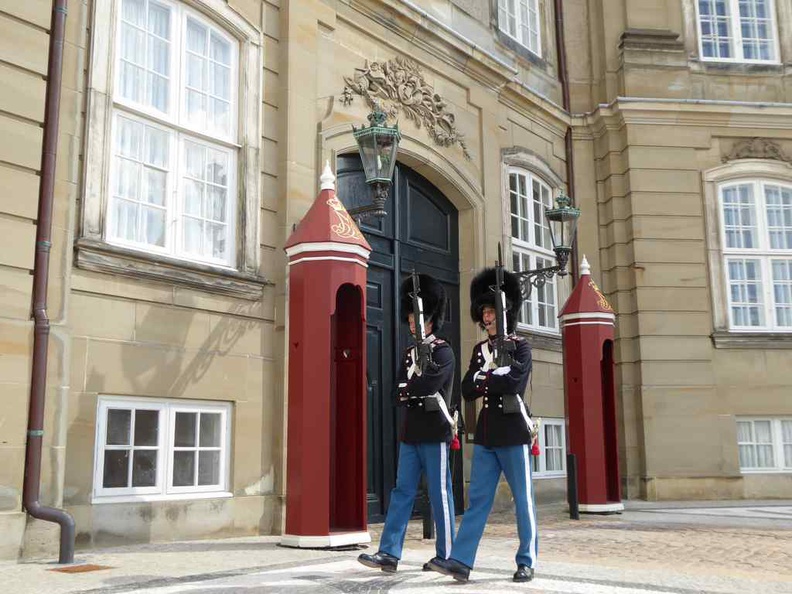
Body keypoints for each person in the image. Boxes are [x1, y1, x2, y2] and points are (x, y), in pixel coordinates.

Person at [429, 266, 537, 583]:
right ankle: (461, 560)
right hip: (488, 433)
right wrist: (493, 376)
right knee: (477, 501)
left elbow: (516, 383)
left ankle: (526, 560)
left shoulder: (520, 346)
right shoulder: (480, 350)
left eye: (492, 311)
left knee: (523, 501)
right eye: (485, 312)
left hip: (514, 431)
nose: (487, 317)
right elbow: (466, 388)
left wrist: (485, 378)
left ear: (505, 313)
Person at [357, 273, 457, 573]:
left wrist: (410, 386)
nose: (412, 324)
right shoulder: (409, 353)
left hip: (435, 429)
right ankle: (389, 552)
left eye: (417, 319)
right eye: (410, 318)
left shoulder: (443, 350)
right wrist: (410, 386)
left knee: (440, 492)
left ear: (430, 320)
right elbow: (396, 392)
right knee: (402, 491)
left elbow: (427, 385)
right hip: (412, 430)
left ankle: (448, 553)